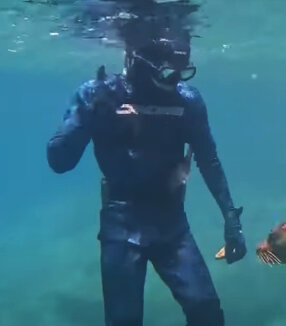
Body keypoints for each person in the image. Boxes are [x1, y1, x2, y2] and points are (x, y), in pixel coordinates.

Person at [46, 31, 247, 326]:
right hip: (121, 221)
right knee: (124, 320)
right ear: (140, 59)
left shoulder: (187, 100)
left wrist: (231, 218)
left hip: (171, 222)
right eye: (168, 72)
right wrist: (90, 115)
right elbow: (59, 161)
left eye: (183, 72)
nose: (175, 81)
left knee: (207, 311)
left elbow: (208, 159)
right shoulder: (98, 94)